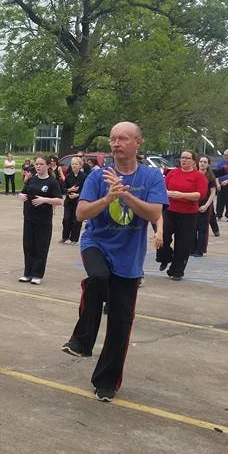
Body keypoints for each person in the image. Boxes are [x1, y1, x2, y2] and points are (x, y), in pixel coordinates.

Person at [61, 122, 167, 402]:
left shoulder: (152, 177)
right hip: (96, 243)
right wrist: (108, 198)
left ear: (138, 142)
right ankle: (82, 340)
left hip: (129, 259)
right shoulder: (98, 176)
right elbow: (82, 213)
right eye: (113, 139)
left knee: (121, 323)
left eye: (123, 138)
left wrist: (126, 196)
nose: (116, 143)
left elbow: (154, 212)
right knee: (97, 278)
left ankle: (106, 381)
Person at [156, 151, 207, 281]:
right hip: (170, 210)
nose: (184, 160)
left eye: (187, 158)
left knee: (183, 243)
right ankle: (166, 256)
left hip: (188, 214)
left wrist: (181, 195)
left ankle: (177, 270)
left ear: (193, 161)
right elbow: (162, 188)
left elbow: (200, 195)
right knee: (163, 235)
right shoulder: (173, 173)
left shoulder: (198, 176)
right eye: (182, 158)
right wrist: (167, 193)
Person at [17, 156, 63, 285]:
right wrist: (21, 196)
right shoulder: (31, 179)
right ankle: (27, 273)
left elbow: (59, 200)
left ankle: (37, 274)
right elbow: (22, 193)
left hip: (43, 220)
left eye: (41, 164)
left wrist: (45, 200)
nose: (38, 166)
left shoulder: (52, 182)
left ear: (48, 165)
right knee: (28, 246)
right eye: (36, 164)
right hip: (29, 218)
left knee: (40, 247)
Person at [193, 156, 219, 257]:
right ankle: (192, 249)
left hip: (205, 204)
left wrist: (207, 205)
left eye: (205, 162)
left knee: (202, 228)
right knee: (192, 227)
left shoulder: (210, 176)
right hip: (193, 203)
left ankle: (200, 250)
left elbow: (213, 192)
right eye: (201, 161)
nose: (202, 163)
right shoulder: (194, 174)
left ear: (208, 164)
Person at [60, 157, 87, 244]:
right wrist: (69, 190)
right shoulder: (68, 176)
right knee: (66, 219)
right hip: (69, 202)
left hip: (79, 202)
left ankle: (74, 239)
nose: (74, 166)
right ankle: (65, 237)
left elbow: (86, 190)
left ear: (80, 165)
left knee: (76, 221)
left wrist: (78, 195)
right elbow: (63, 189)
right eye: (72, 164)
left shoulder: (84, 177)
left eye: (76, 164)